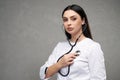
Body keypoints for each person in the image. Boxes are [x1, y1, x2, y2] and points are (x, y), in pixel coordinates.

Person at [40, 4, 106, 80]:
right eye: (65, 20)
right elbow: (43, 74)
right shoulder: (60, 46)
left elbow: (98, 78)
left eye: (73, 19)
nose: (68, 23)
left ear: (83, 21)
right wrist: (60, 64)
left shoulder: (93, 47)